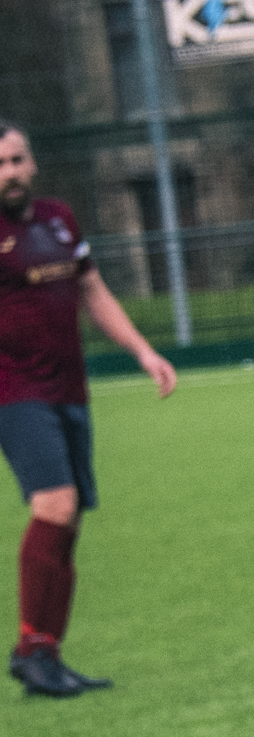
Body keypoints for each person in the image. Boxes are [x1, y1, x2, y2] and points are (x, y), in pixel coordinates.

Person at [0, 122, 177, 697]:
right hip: (14, 390)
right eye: (0, 164)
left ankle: (45, 652)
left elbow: (93, 292)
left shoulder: (58, 218)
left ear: (32, 163)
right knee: (56, 504)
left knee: (69, 518)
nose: (11, 173)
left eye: (17, 160)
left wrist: (143, 351)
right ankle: (31, 646)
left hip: (69, 390)